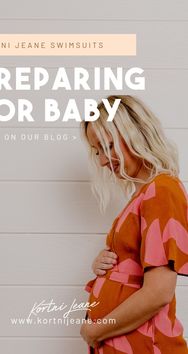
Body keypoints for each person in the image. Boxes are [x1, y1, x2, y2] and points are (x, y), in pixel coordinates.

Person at [79, 96, 188, 353]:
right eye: (97, 152)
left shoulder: (162, 190)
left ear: (135, 134)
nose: (103, 161)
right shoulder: (144, 195)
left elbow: (158, 293)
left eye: (107, 147)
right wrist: (107, 266)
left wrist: (94, 330)